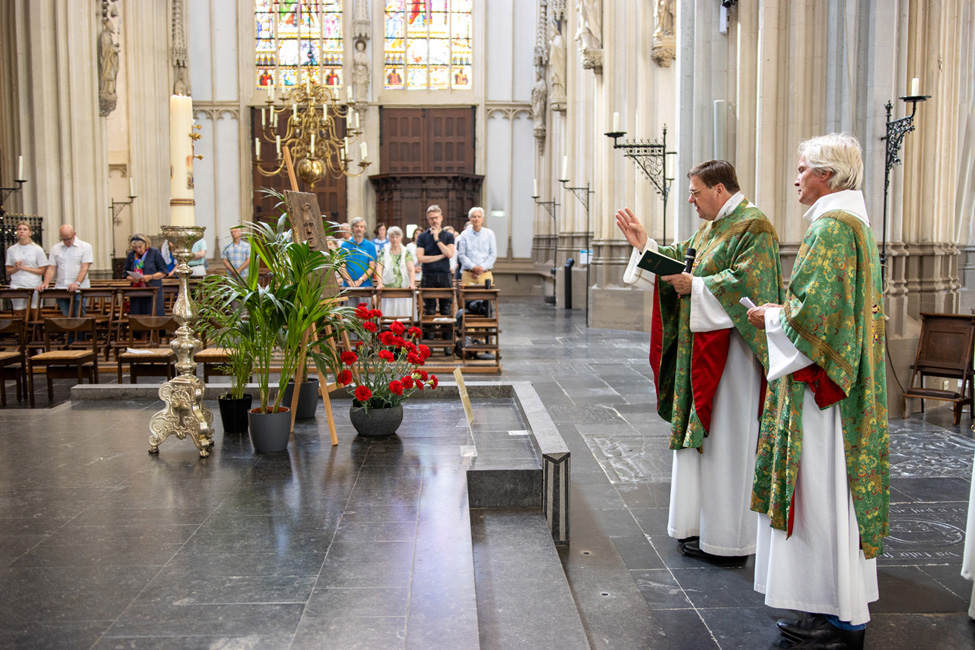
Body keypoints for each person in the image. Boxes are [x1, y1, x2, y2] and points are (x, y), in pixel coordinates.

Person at [746, 133, 888, 650]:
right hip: (843, 386)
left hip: (824, 394)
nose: (797, 178)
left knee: (823, 494)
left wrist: (771, 316)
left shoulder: (830, 229)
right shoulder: (856, 226)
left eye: (803, 168)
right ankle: (839, 606)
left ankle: (838, 616)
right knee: (835, 497)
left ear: (827, 176)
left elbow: (816, 318)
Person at [616, 160, 783, 561]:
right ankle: (700, 527)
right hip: (703, 351)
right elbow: (685, 259)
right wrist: (647, 246)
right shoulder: (714, 225)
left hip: (733, 358)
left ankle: (729, 541)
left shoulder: (753, 226)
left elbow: (751, 284)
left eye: (695, 192)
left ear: (720, 189)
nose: (690, 199)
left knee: (727, 443)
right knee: (700, 442)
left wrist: (699, 286)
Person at [40, 224, 94, 316]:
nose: (66, 241)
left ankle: (80, 331)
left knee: (79, 317)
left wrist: (76, 283)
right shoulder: (55, 248)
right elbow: (51, 268)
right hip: (61, 288)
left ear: (74, 234)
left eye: (68, 238)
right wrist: (45, 282)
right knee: (66, 317)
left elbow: (84, 268)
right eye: (63, 239)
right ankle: (69, 331)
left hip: (79, 289)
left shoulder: (85, 247)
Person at [415, 205, 455, 316]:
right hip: (428, 275)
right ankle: (429, 334)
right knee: (429, 310)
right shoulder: (422, 236)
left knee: (446, 309)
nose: (434, 221)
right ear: (428, 220)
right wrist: (442, 256)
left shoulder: (448, 236)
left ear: (441, 218)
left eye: (436, 218)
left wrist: (437, 239)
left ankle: (446, 333)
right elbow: (420, 258)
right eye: (431, 218)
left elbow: (450, 254)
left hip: (444, 275)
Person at [4, 221, 47, 313]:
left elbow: (43, 270)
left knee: (34, 312)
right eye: (19, 229)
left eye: (24, 229)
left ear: (30, 233)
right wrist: (16, 268)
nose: (21, 231)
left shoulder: (37, 249)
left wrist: (25, 268)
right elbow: (8, 270)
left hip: (33, 285)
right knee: (19, 313)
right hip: (17, 285)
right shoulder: (11, 250)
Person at [375, 226, 416, 319]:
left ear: (401, 237)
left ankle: (404, 332)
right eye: (392, 237)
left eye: (397, 237)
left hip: (403, 287)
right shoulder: (384, 251)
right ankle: (388, 333)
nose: (395, 239)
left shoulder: (406, 251)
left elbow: (411, 269)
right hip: (388, 287)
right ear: (388, 238)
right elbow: (379, 268)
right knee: (388, 315)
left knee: (404, 316)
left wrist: (412, 283)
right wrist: (380, 283)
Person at [123, 233, 167, 315]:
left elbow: (163, 271)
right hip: (137, 290)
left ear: (145, 244)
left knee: (153, 312)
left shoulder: (154, 252)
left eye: (140, 247)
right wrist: (132, 278)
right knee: (137, 313)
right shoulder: (131, 255)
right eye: (135, 248)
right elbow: (125, 273)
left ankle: (156, 327)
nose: (138, 250)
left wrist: (150, 276)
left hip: (153, 288)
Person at [340, 216, 378, 309]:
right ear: (352, 229)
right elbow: (341, 266)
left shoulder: (370, 246)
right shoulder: (345, 245)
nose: (359, 229)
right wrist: (350, 281)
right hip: (348, 287)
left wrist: (360, 280)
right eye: (356, 226)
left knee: (365, 316)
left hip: (365, 286)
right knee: (350, 316)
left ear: (364, 229)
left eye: (361, 227)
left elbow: (372, 267)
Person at [456, 206, 497, 286]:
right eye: (474, 217)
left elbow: (493, 254)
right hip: (468, 273)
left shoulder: (489, 234)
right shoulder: (464, 234)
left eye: (479, 216)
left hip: (485, 273)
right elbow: (461, 254)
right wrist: (473, 267)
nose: (476, 219)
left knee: (486, 297)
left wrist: (481, 268)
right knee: (467, 297)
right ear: (470, 219)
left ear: (482, 219)